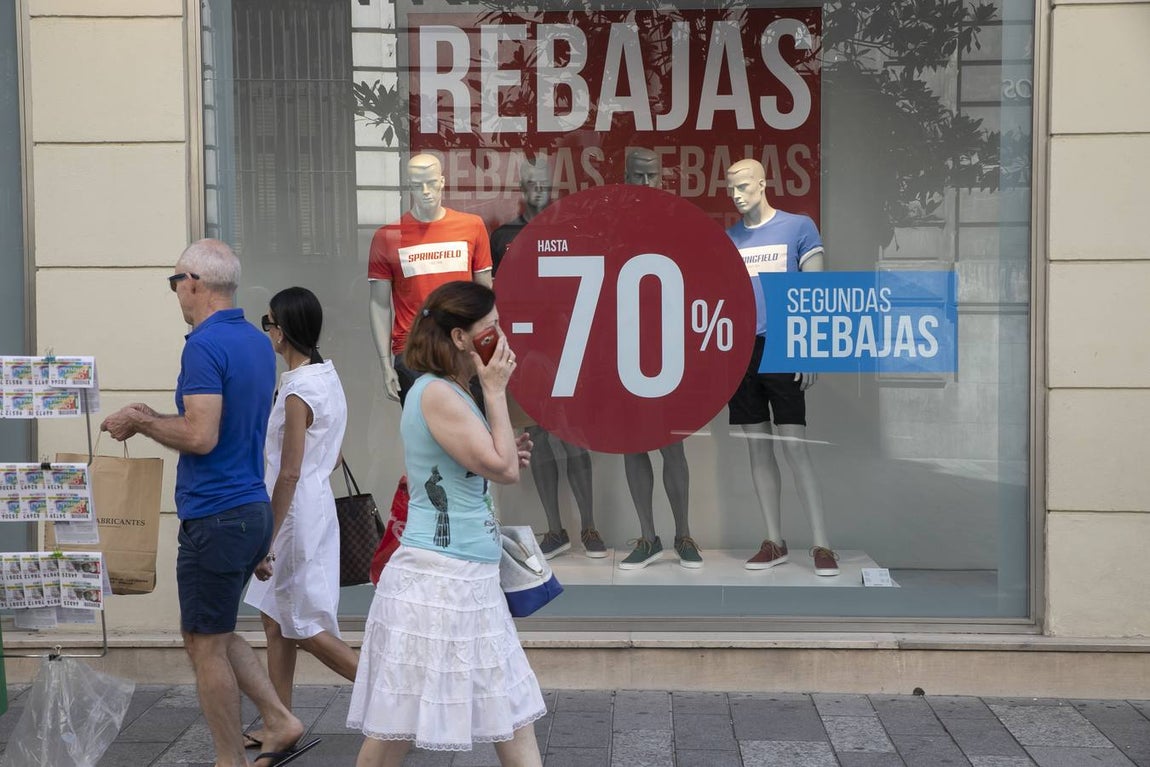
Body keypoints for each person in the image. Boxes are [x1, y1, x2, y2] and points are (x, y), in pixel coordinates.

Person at [100, 239, 318, 767]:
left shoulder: (203, 345)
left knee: (203, 642)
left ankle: (228, 759)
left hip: (216, 514)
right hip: (247, 511)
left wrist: (141, 420)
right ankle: (278, 718)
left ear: (195, 282)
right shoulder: (252, 340)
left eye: (176, 281)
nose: (175, 291)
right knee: (211, 633)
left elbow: (201, 435)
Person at [348, 281, 544, 767]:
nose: (499, 338)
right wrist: (495, 394)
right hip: (438, 582)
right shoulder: (437, 393)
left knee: (513, 710)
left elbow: (492, 463)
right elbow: (504, 471)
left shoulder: (453, 390)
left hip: (464, 577)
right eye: (490, 329)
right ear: (460, 338)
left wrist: (500, 449)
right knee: (394, 728)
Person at [241, 287, 358, 749]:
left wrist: (266, 535)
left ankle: (395, 697)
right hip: (311, 504)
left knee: (305, 626)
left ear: (282, 331)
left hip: (292, 515)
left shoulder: (299, 390)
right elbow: (328, 458)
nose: (265, 329)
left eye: (267, 322)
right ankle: (278, 720)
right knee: (276, 618)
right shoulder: (323, 376)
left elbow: (288, 471)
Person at [724, 158, 839, 576]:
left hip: (783, 345)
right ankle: (774, 540)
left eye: (744, 186)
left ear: (762, 183)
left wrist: (808, 349)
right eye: (731, 188)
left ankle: (822, 544)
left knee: (795, 447)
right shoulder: (730, 238)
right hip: (742, 351)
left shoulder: (798, 227)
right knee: (758, 447)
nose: (737, 195)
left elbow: (816, 289)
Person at [491, 157, 604, 560]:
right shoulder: (503, 236)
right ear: (521, 188)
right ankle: (556, 529)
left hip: (569, 347)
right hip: (525, 353)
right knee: (538, 437)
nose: (537, 190)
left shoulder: (572, 231)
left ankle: (589, 526)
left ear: (552, 186)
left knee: (573, 436)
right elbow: (493, 297)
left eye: (543, 183)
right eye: (530, 184)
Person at [617, 148, 700, 570]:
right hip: (620, 344)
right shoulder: (611, 221)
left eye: (652, 177)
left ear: (662, 177)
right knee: (632, 443)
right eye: (637, 176)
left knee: (671, 444)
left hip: (666, 347)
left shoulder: (676, 221)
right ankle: (648, 537)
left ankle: (684, 533)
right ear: (625, 176)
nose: (645, 185)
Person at [368, 152, 493, 406]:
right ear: (409, 186)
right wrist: (384, 365)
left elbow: (485, 296)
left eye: (431, 182)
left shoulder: (472, 227)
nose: (425, 191)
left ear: (443, 182)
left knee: (473, 436)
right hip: (414, 352)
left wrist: (491, 351)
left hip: (463, 348)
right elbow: (379, 304)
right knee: (424, 435)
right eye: (417, 185)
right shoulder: (388, 237)